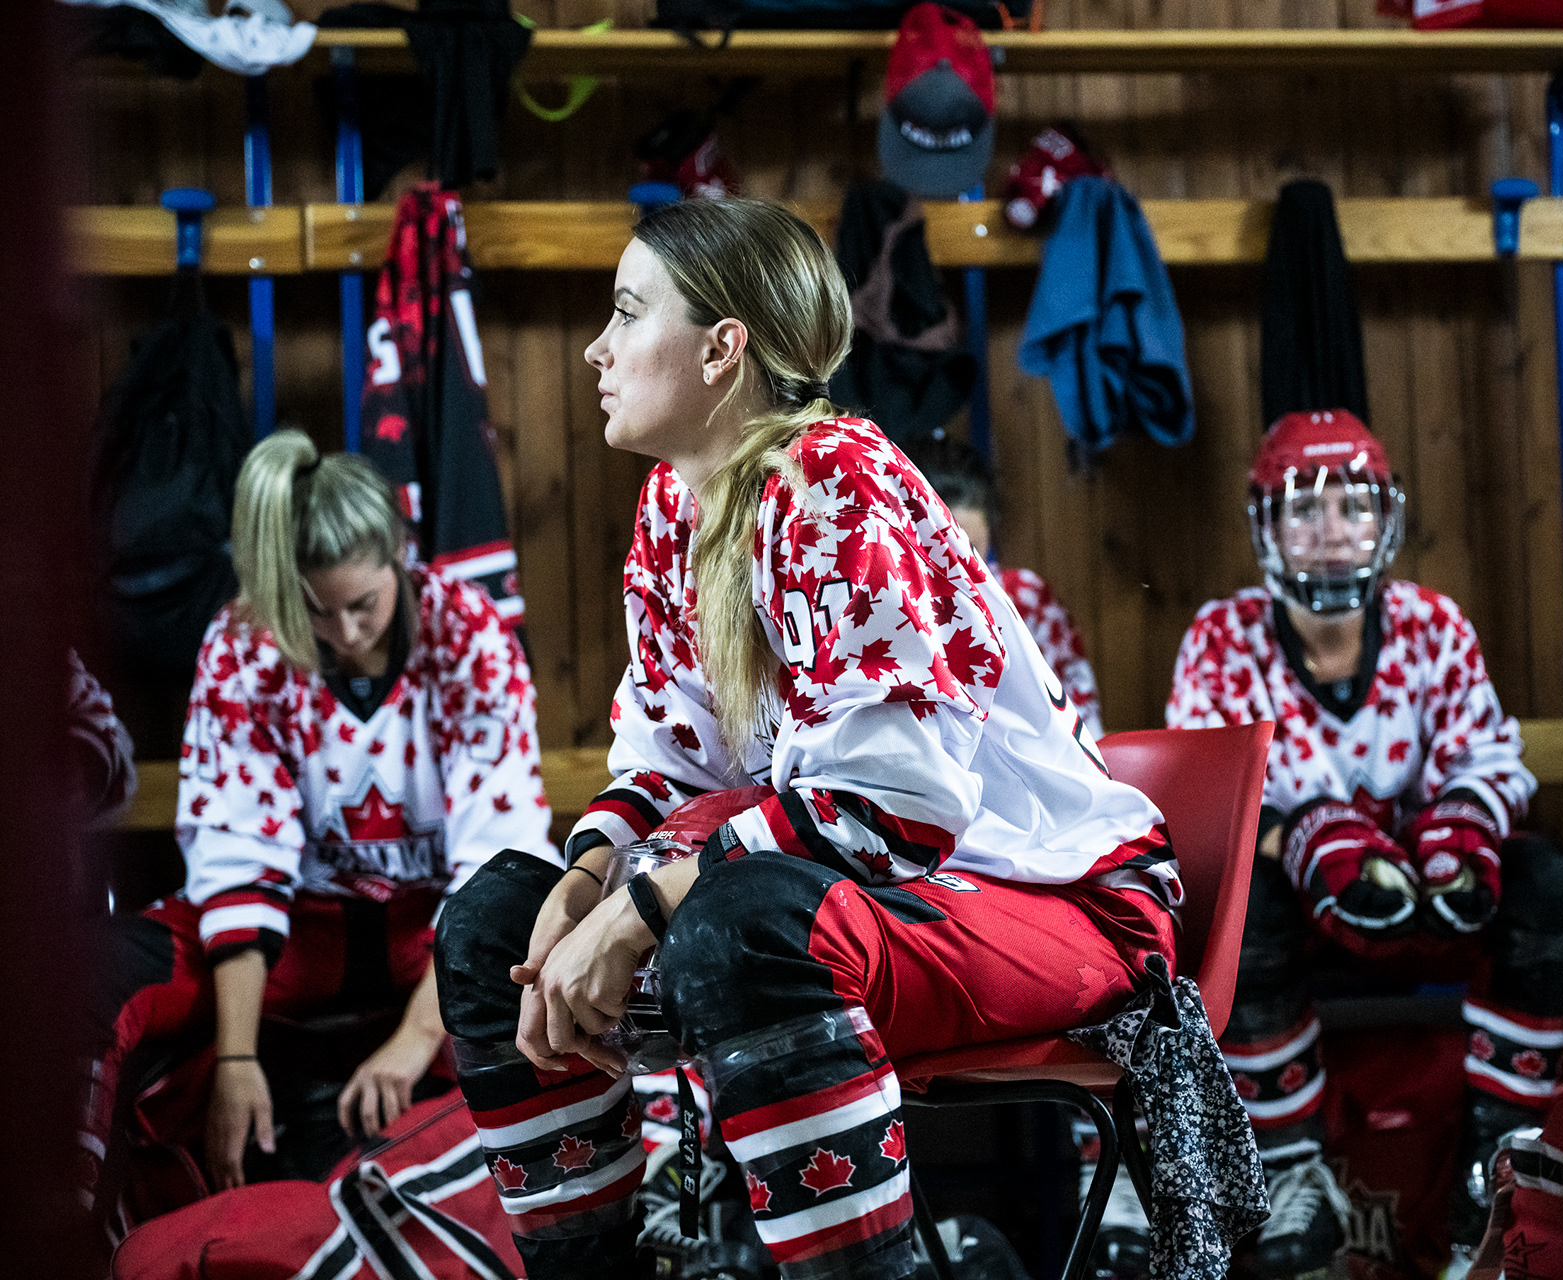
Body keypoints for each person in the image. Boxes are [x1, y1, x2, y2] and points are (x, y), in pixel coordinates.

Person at [434, 196, 1181, 1280]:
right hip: (882, 904)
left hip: (1061, 904)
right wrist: (589, 877)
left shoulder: (835, 480)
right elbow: (671, 759)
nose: (596, 348)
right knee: (491, 924)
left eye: (628, 313)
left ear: (721, 350)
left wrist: (639, 910)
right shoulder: (674, 503)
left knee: (738, 926)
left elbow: (894, 809)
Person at [80, 430, 555, 1233]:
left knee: (538, 956)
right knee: (91, 970)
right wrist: (236, 1060)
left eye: (363, 605)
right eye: (316, 609)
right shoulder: (246, 640)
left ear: (401, 556)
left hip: (428, 941)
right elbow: (238, 859)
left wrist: (415, 1040)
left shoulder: (469, 630)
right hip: (292, 942)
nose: (344, 633)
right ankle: (63, 1220)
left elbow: (496, 863)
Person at [1158, 409, 1563, 1278]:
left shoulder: (1433, 623)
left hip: (1429, 898)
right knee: (1240, 899)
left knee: (1548, 879)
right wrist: (1306, 839)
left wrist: (1462, 831)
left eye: (1352, 506)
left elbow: (1487, 758)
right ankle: (1290, 1165)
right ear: (1267, 525)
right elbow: (1206, 802)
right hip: (1302, 922)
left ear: (1385, 517)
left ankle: (1496, 1151)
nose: (1330, 532)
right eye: (1303, 509)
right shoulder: (1222, 635)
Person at [910, 437, 1105, 739]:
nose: (961, 568)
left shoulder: (1022, 598)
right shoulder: (898, 607)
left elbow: (1081, 716)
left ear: (990, 530)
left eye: (972, 551)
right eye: (945, 553)